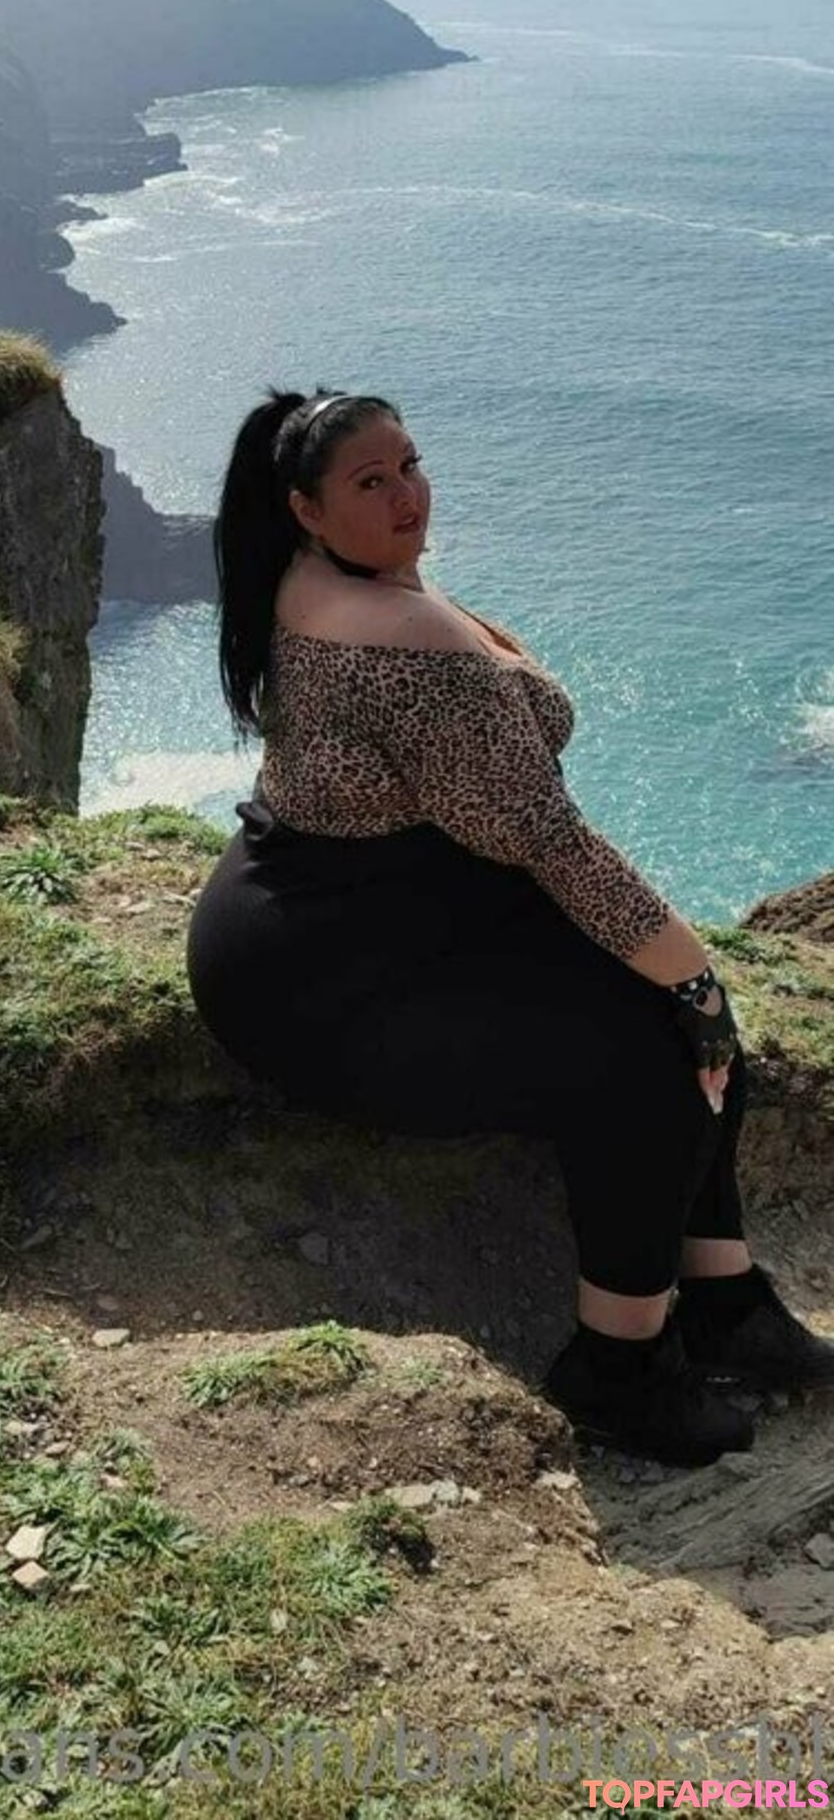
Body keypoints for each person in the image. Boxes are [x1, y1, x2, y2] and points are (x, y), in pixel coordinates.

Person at [186, 387, 834, 1467]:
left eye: (411, 465)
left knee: (677, 1021)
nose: (407, 495)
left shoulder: (323, 578)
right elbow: (549, 840)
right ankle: (619, 1368)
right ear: (304, 508)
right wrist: (698, 978)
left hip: (353, 913)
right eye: (371, 481)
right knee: (649, 1058)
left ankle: (725, 1304)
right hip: (329, 977)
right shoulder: (410, 644)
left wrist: (682, 980)